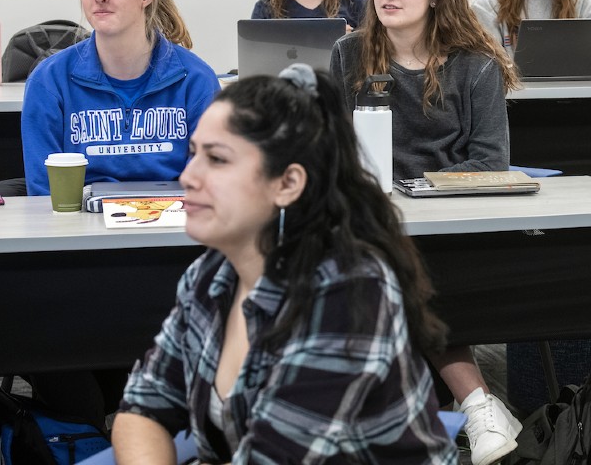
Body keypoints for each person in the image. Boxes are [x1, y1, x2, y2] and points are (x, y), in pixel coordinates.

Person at [113, 64, 457, 464]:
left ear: (287, 183)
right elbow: (142, 408)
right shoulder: (209, 276)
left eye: (217, 159)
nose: (188, 176)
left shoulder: (348, 290)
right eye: (193, 154)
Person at [331, 0, 521, 465]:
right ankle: (478, 402)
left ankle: (458, 409)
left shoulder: (475, 64)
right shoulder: (349, 53)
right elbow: (333, 146)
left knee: (402, 272)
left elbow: (490, 161)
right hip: (373, 223)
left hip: (453, 223)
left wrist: (412, 191)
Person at [20, 0, 220, 197]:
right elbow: (44, 195)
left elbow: (208, 188)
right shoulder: (49, 81)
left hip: (172, 232)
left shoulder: (196, 80)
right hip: (80, 232)